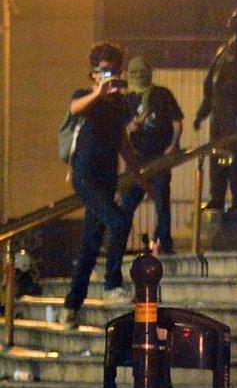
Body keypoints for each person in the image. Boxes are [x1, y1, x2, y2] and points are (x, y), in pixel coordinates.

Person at [61, 43, 139, 326]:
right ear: (93, 74)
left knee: (90, 244)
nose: (110, 75)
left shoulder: (120, 104)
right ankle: (111, 285)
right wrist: (98, 92)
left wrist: (139, 175)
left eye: (114, 70)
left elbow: (123, 142)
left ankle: (71, 305)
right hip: (85, 174)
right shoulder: (85, 95)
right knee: (118, 222)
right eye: (104, 70)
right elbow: (74, 108)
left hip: (107, 176)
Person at [193, 6, 237, 216]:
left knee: (235, 156)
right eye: (232, 16)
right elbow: (210, 84)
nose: (231, 20)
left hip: (234, 109)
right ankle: (216, 198)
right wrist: (202, 113)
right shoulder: (223, 50)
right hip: (218, 111)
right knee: (216, 155)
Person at [117, 58, 184, 254]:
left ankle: (164, 243)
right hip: (136, 161)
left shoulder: (162, 95)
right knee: (129, 204)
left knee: (161, 201)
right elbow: (119, 131)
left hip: (159, 160)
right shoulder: (127, 100)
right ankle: (118, 245)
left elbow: (177, 122)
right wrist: (130, 128)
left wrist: (172, 146)